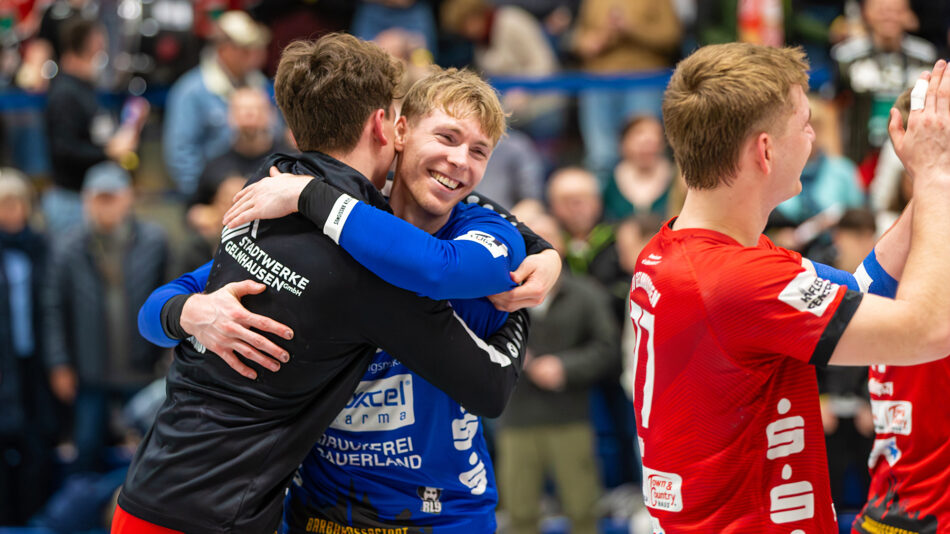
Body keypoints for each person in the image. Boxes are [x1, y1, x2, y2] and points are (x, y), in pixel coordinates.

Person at [113, 34, 541, 534]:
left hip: (434, 517)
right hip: (277, 515)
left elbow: (443, 264)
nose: (461, 160)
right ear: (394, 130)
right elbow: (485, 375)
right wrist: (190, 312)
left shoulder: (274, 187)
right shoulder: (330, 241)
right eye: (446, 138)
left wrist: (543, 256)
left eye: (480, 151)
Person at [630, 42, 950, 532]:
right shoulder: (737, 280)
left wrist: (928, 181)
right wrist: (935, 177)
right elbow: (926, 330)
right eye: (805, 124)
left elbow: (861, 292)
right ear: (765, 150)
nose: (813, 137)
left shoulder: (690, 250)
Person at [850, 87, 950, 534]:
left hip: (893, 508)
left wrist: (932, 171)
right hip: (919, 513)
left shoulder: (893, 255)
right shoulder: (913, 254)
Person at [495, 212, 619, 534]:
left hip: (570, 417)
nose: (536, 243)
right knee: (519, 514)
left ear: (559, 244)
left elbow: (608, 348)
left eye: (545, 236)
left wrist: (565, 367)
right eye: (528, 236)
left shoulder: (586, 294)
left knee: (583, 510)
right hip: (516, 418)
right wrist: (510, 354)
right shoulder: (497, 295)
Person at [43, 161, 169, 475]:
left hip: (142, 368)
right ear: (85, 201)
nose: (105, 206)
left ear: (128, 198)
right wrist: (59, 362)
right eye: (98, 198)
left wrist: (169, 357)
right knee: (86, 449)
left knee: (153, 453)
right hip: (90, 369)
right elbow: (53, 308)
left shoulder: (154, 241)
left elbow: (172, 297)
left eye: (112, 197)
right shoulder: (68, 247)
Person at [44, 18, 146, 233]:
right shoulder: (65, 93)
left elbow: (98, 136)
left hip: (99, 198)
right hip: (73, 202)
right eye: (98, 46)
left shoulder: (87, 90)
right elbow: (64, 149)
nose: (103, 53)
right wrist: (108, 152)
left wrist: (128, 131)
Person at [162, 10, 270, 196]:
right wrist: (203, 197)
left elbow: (276, 136)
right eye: (245, 49)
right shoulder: (191, 91)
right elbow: (180, 153)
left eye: (255, 48)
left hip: (261, 191)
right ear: (223, 49)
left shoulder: (261, 85)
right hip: (213, 193)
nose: (253, 55)